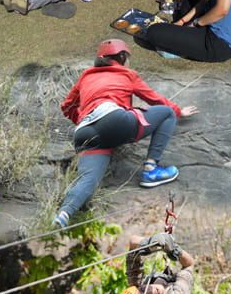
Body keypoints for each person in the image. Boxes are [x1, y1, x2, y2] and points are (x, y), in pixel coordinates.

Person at [53, 39, 198, 228]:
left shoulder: (86, 76)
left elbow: (67, 106)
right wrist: (178, 111)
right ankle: (151, 170)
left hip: (84, 132)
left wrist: (84, 119)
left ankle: (64, 214)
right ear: (122, 57)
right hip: (114, 119)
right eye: (128, 58)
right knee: (167, 113)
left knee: (88, 179)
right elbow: (155, 100)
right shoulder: (127, 74)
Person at [119, 233, 198, 294]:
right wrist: (174, 250)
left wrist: (149, 244)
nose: (150, 291)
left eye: (143, 289)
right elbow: (189, 265)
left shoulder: (137, 291)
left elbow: (132, 242)